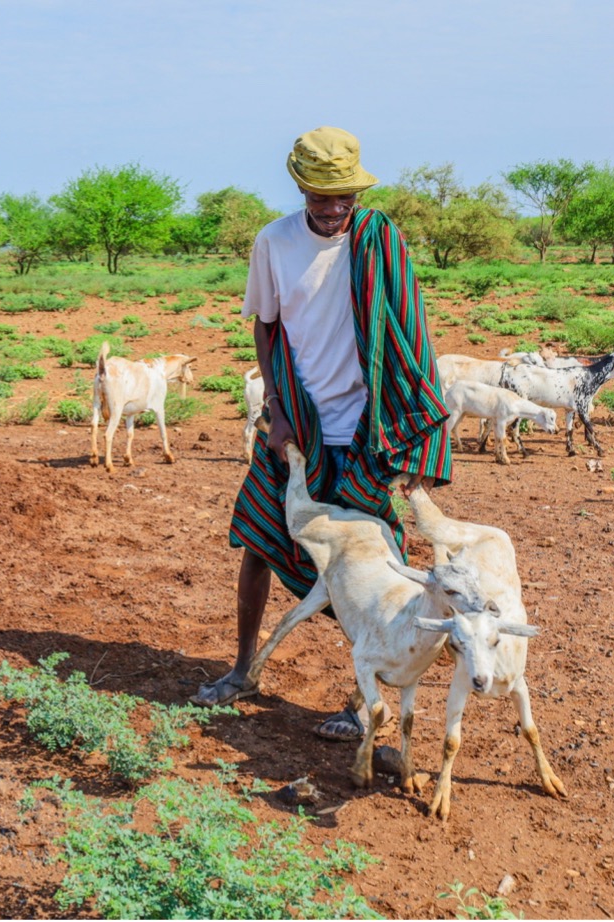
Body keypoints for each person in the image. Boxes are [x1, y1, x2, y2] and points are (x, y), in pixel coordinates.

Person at [192, 126, 452, 741]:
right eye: (321, 197)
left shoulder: (380, 239)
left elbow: (411, 334)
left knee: (372, 567)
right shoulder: (274, 242)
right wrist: (276, 404)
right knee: (258, 538)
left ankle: (365, 700)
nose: (334, 209)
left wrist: (412, 435)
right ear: (301, 188)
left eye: (344, 197)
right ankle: (241, 670)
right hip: (300, 426)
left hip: (365, 432)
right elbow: (265, 324)